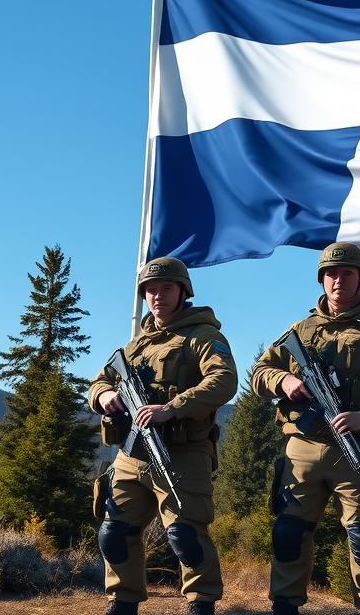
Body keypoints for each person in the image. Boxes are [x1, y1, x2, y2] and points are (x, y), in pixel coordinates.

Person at [251, 243, 360, 615]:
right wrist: (284, 382)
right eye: (330, 274)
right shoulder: (300, 329)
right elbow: (260, 372)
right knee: (289, 533)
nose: (337, 280)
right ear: (321, 280)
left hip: (359, 446)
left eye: (346, 273)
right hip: (303, 448)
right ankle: (285, 604)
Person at [89, 257, 238, 615]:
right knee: (114, 533)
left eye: (166, 288)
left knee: (185, 536)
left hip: (182, 454)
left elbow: (223, 382)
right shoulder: (136, 344)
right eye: (151, 290)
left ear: (183, 291)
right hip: (131, 455)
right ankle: (121, 602)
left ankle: (201, 604)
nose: (158, 296)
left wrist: (172, 407)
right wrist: (105, 396)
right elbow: (100, 381)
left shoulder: (203, 336)